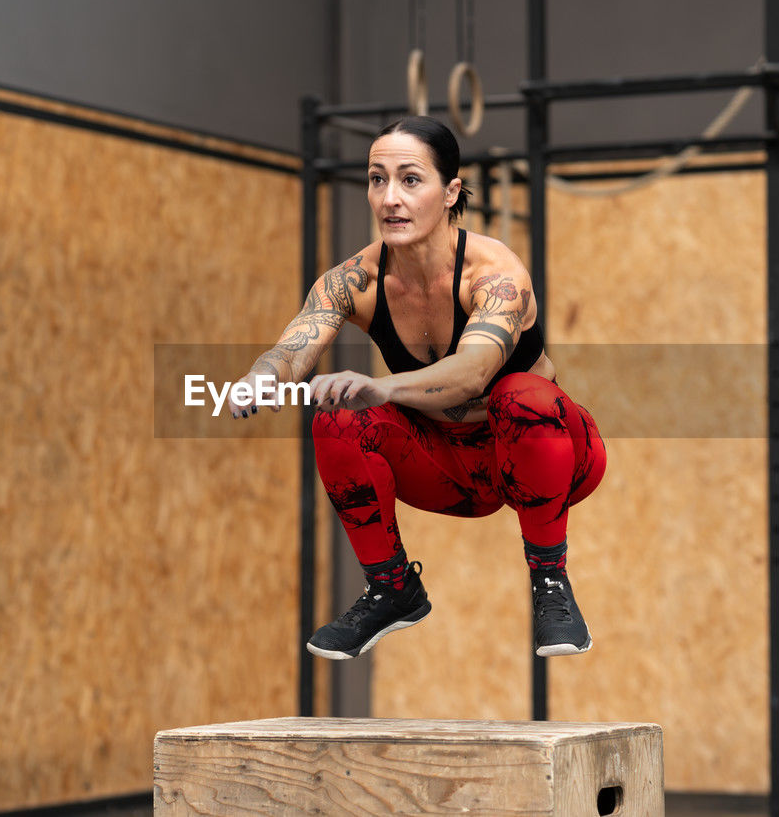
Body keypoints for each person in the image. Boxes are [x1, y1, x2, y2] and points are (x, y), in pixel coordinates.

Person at [229, 116, 606, 660]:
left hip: (547, 458)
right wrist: (260, 378)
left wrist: (383, 388)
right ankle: (391, 588)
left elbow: (475, 372)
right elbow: (294, 349)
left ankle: (551, 581)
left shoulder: (495, 273)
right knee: (336, 419)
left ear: (451, 191)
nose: (390, 199)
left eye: (410, 180)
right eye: (377, 179)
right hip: (451, 471)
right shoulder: (351, 280)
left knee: (521, 394)